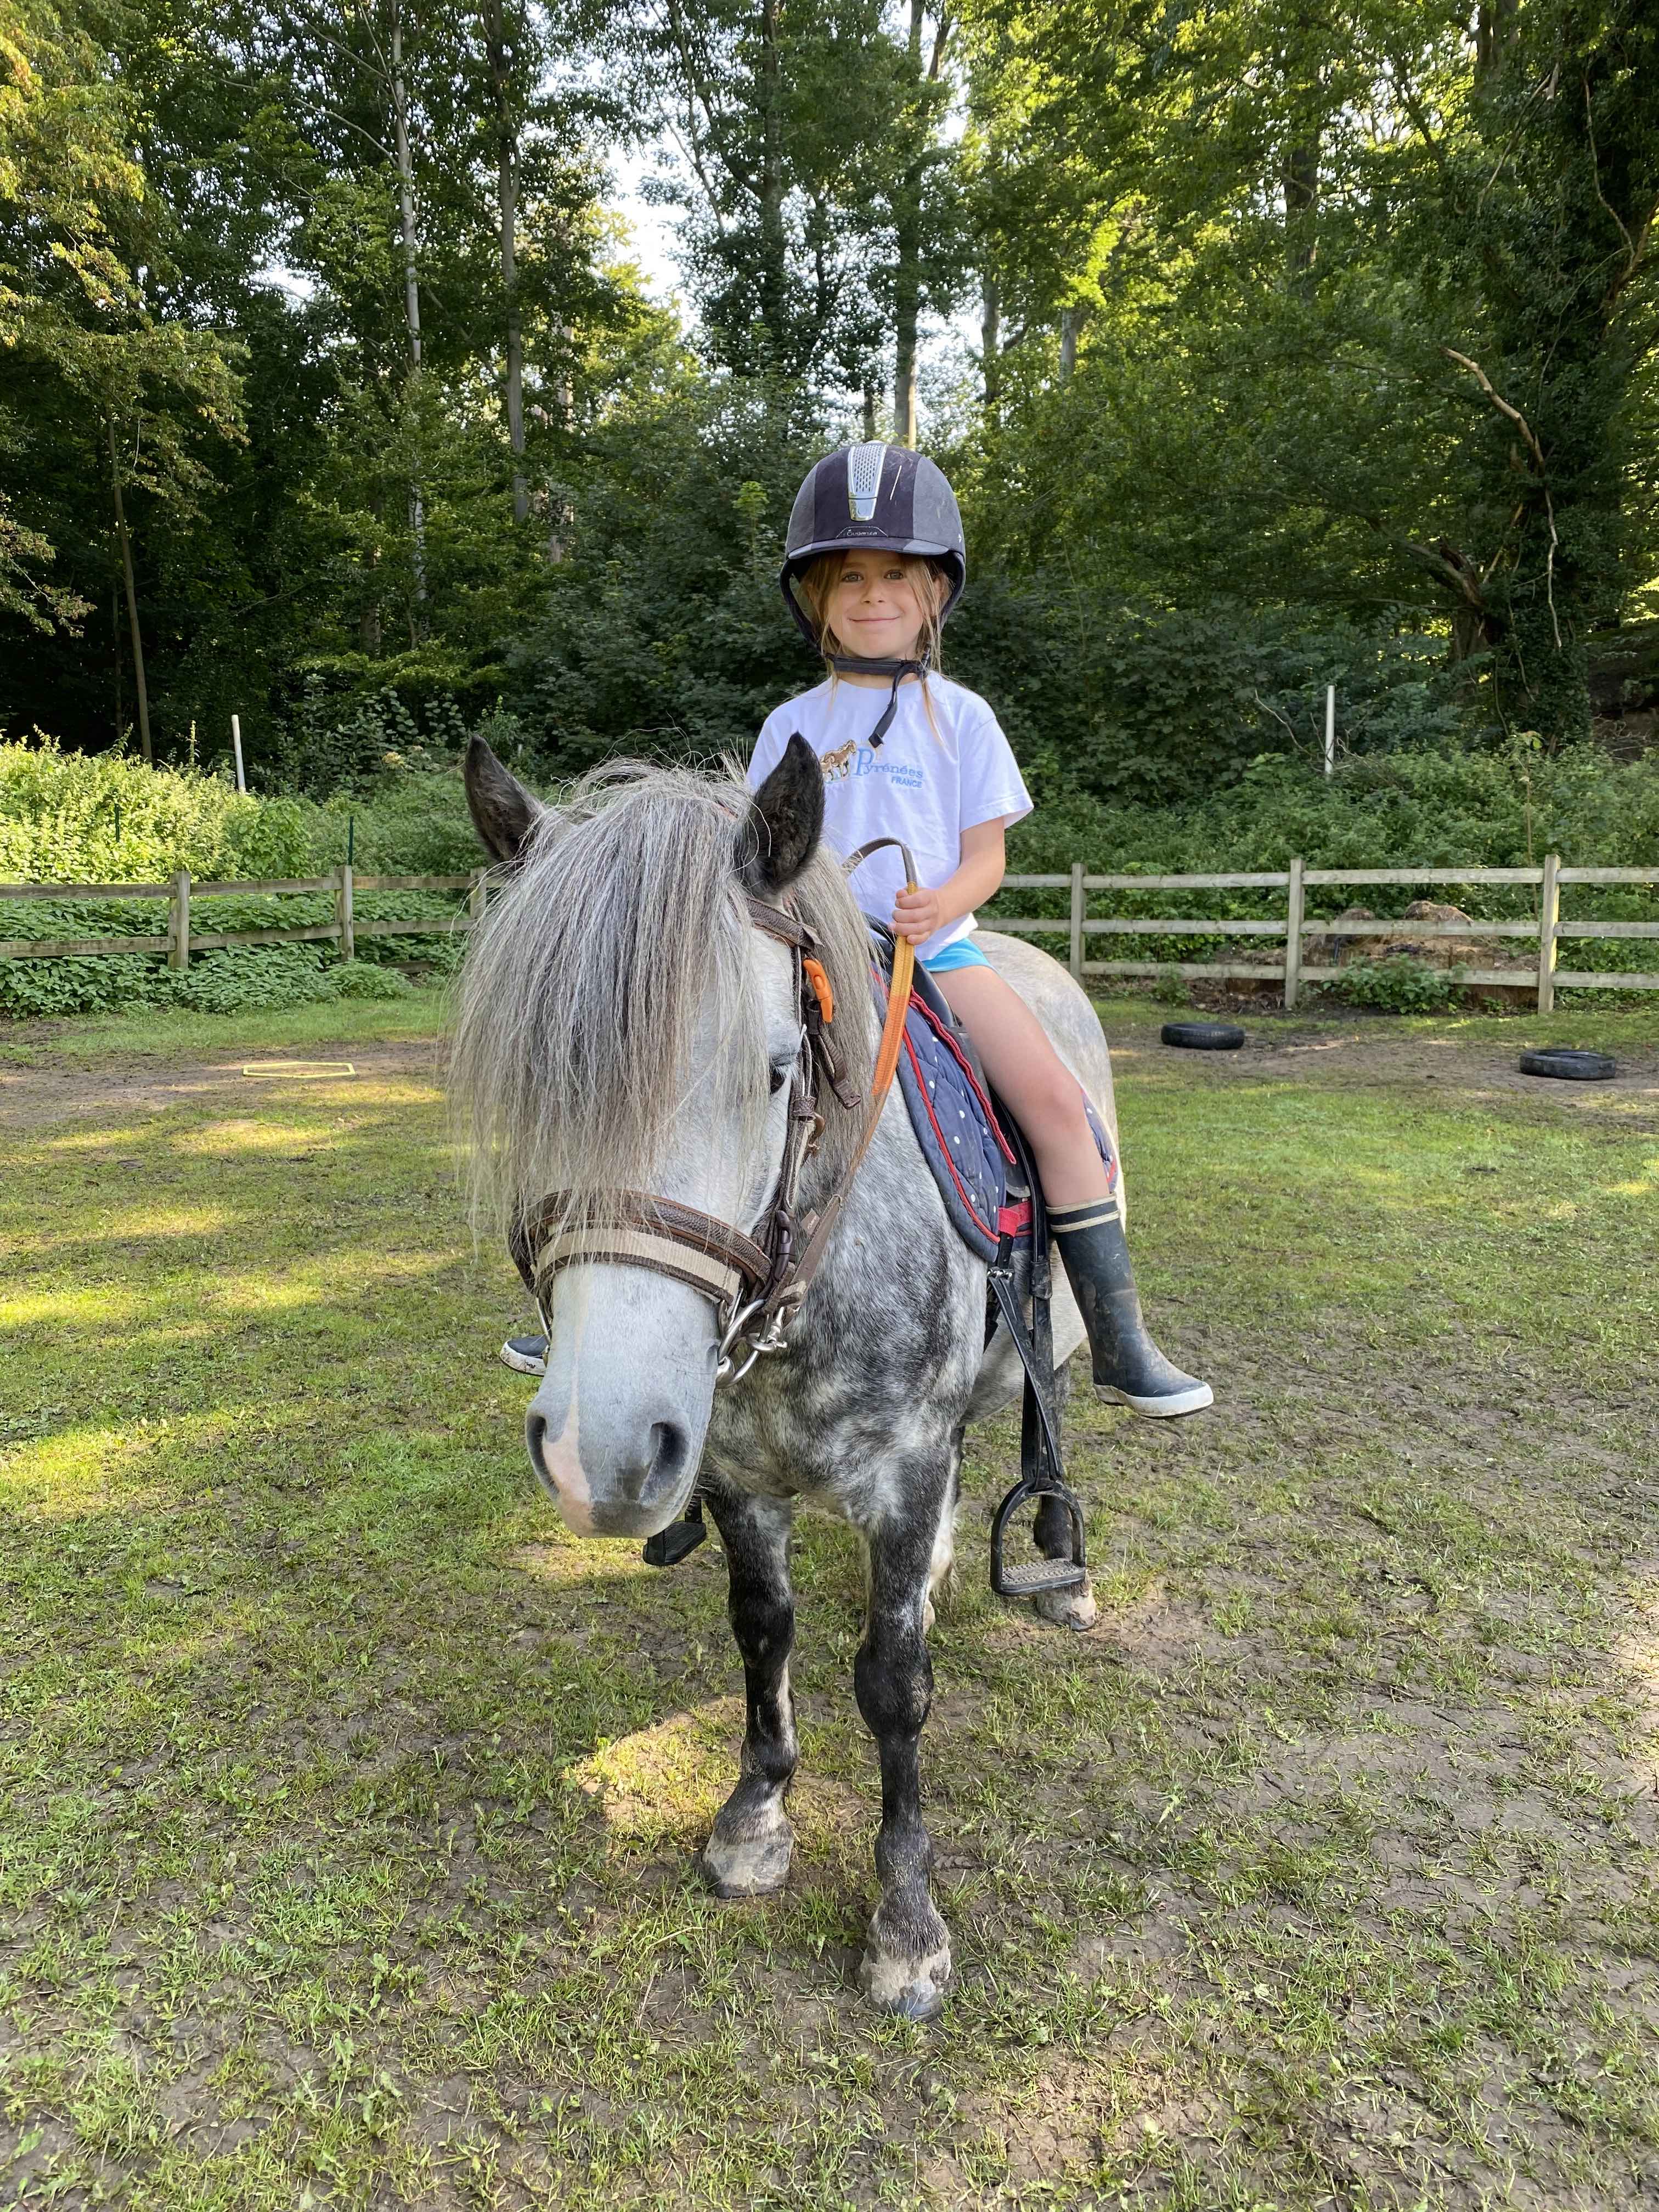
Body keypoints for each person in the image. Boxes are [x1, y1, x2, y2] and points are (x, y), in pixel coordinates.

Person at [503, 440, 1209, 1419]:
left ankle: (1119, 1335)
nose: (872, 595)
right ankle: (593, 1312)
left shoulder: (964, 718)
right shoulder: (791, 721)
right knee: (671, 1076)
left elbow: (989, 856)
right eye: (849, 579)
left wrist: (943, 904)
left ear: (932, 594)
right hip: (812, 958)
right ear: (818, 601)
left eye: (894, 576)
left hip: (935, 953)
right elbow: (755, 857)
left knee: (1055, 1101)